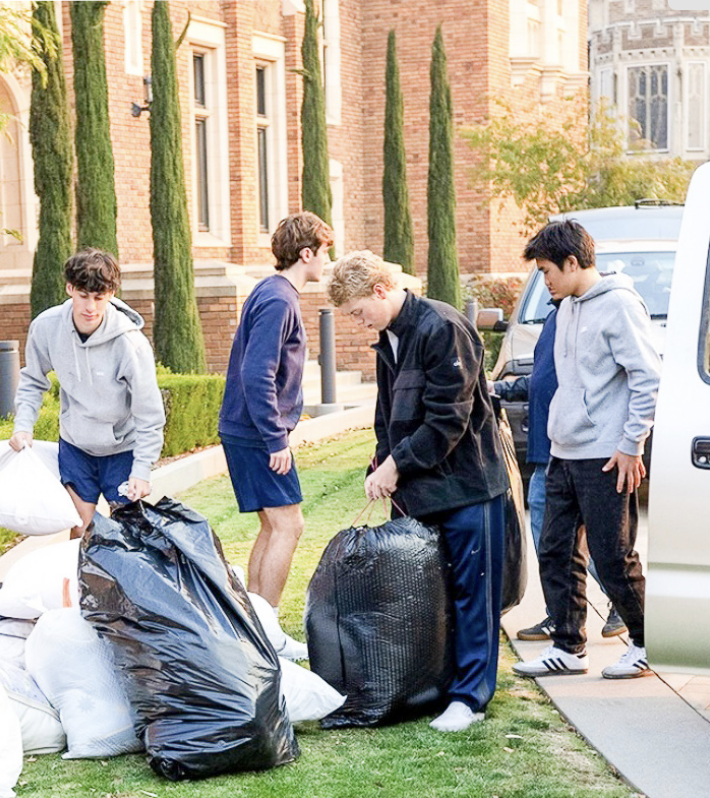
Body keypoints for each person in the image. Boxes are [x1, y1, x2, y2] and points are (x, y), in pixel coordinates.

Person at [328, 251, 509, 732]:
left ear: (381, 291)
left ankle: (470, 697)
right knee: (426, 595)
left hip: (469, 485)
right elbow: (386, 414)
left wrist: (395, 464)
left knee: (474, 595)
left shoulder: (441, 327)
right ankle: (437, 686)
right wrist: (382, 460)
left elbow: (448, 418)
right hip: (420, 490)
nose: (357, 321)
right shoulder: (389, 337)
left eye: (357, 310)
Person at [512, 220, 660, 681]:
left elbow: (648, 378)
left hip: (607, 456)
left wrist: (631, 444)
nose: (545, 281)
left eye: (547, 271)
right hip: (564, 451)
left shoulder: (618, 305)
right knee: (555, 551)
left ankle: (646, 642)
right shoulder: (568, 307)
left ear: (572, 263)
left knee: (612, 554)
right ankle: (569, 648)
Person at [218, 211, 334, 659]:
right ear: (307, 254)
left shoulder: (273, 292)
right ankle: (269, 631)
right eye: (324, 252)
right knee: (290, 524)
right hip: (255, 434)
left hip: (247, 431)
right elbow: (256, 371)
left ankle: (255, 628)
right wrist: (275, 439)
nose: (326, 260)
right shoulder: (279, 299)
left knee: (273, 524)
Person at [491, 302, 626, 641]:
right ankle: (563, 615)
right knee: (552, 540)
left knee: (579, 539)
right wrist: (501, 389)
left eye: (547, 270)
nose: (546, 281)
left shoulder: (593, 312)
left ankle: (623, 601)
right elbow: (545, 378)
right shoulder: (557, 316)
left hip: (578, 448)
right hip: (546, 447)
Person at [10, 249, 165, 538]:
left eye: (99, 297)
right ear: (70, 288)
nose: (90, 306)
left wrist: (142, 469)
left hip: (123, 447)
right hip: (76, 444)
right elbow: (32, 380)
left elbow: (149, 412)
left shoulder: (130, 344)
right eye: (83, 295)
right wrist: (23, 427)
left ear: (111, 293)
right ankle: (78, 585)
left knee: (127, 534)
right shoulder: (46, 328)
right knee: (81, 527)